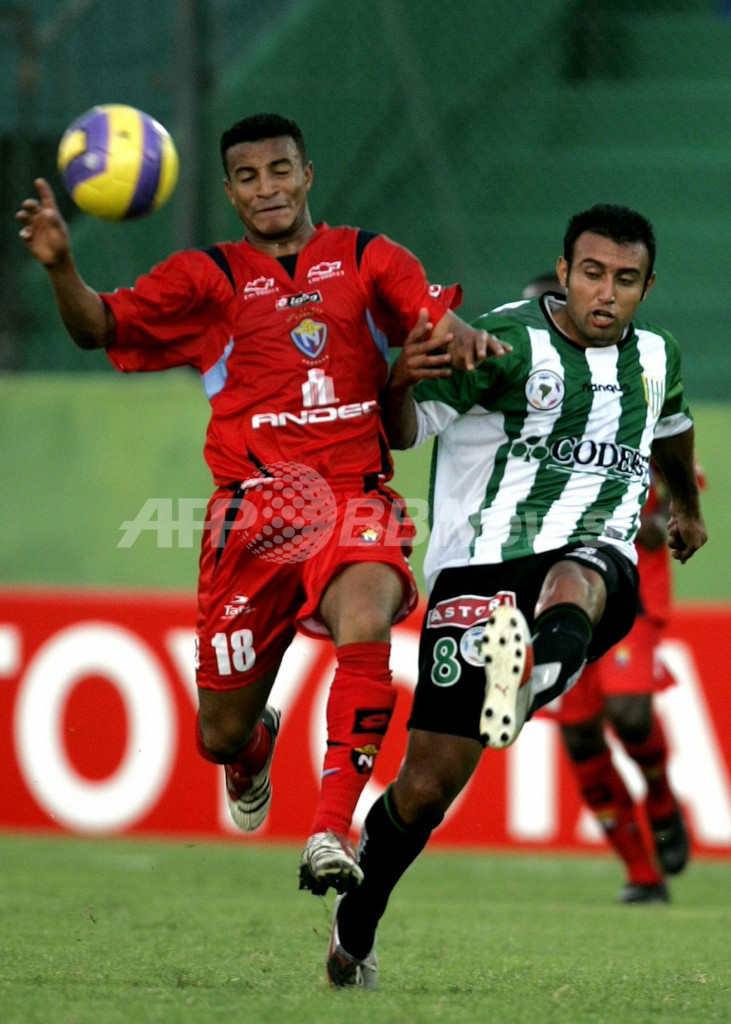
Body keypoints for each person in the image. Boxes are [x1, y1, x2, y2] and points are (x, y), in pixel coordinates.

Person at [16, 112, 498, 897]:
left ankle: (330, 830)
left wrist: (458, 331)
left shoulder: (366, 256)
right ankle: (252, 749)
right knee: (219, 734)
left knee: (367, 614)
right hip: (251, 520)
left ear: (307, 174)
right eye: (247, 177)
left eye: (279, 170)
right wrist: (62, 266)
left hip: (350, 497)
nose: (267, 187)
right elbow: (97, 327)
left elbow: (427, 311)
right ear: (230, 192)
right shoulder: (207, 278)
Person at [325, 203, 707, 988]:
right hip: (478, 567)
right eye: (592, 274)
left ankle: (530, 674)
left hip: (593, 552)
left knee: (580, 575)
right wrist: (398, 379)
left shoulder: (656, 356)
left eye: (625, 279)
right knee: (425, 787)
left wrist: (686, 509)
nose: (606, 293)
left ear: (647, 287)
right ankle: (353, 931)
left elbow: (669, 426)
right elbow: (402, 431)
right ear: (564, 273)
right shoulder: (501, 343)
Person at [523, 273, 693, 905]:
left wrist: (661, 516)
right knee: (580, 735)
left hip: (625, 584)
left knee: (629, 713)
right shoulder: (517, 415)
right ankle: (642, 873)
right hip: (547, 592)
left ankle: (662, 795)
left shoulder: (632, 391)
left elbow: (675, 481)